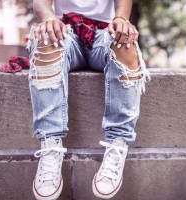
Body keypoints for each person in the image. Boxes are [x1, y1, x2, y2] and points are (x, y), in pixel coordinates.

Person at [27, 0, 150, 199]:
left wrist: (120, 19)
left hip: (104, 33)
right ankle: (50, 148)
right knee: (45, 40)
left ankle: (118, 145)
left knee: (126, 41)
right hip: (65, 32)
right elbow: (40, 3)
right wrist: (49, 18)